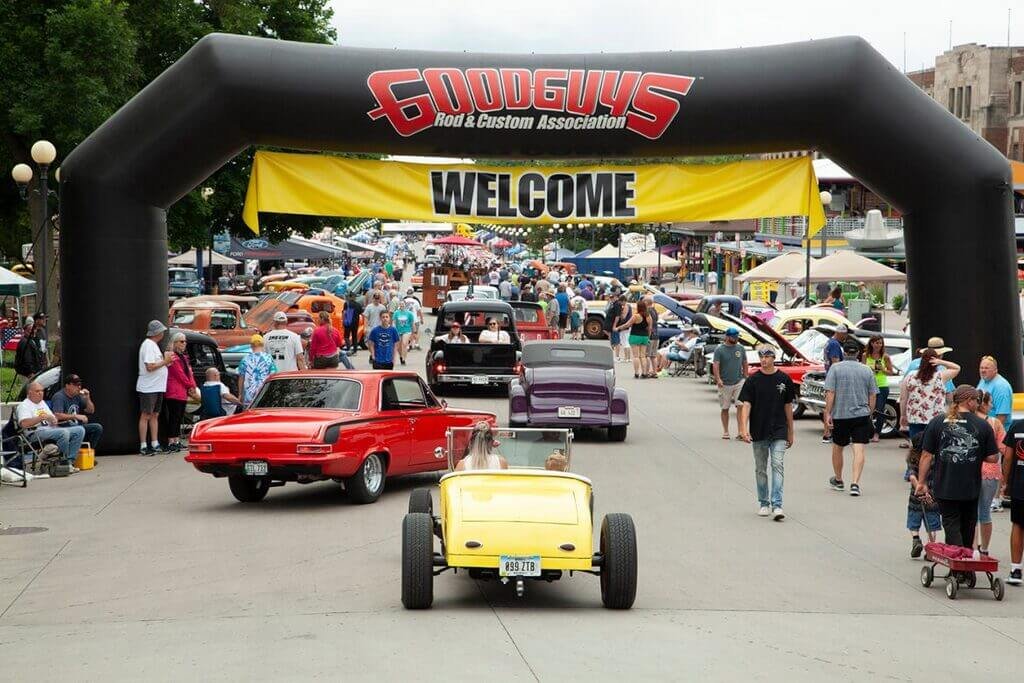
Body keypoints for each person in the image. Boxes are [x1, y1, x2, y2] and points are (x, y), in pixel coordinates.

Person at [917, 385, 999, 549]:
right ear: (969, 401)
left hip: (945, 485)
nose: (978, 404)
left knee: (951, 524)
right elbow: (993, 458)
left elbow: (926, 455)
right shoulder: (983, 425)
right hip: (971, 486)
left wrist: (921, 482)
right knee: (968, 525)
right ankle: (966, 567)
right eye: (976, 400)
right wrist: (975, 452)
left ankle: (958, 567)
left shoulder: (938, 422)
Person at [738, 344, 796, 521]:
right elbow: (746, 404)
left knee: (777, 465)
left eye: (767, 356)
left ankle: (777, 505)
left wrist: (790, 431)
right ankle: (764, 503)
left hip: (778, 429)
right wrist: (743, 428)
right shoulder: (753, 380)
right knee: (761, 469)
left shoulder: (784, 379)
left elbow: (788, 406)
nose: (763, 360)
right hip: (759, 430)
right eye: (761, 356)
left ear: (774, 357)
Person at [824, 338, 878, 497]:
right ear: (858, 354)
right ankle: (855, 483)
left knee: (838, 447)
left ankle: (839, 480)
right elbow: (873, 394)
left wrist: (828, 413)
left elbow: (830, 392)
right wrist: (870, 412)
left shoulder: (835, 369)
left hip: (840, 414)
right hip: (861, 414)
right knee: (859, 448)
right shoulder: (867, 370)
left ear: (844, 352)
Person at [17, 382, 86, 471]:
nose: (41, 393)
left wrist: (54, 420)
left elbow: (52, 418)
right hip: (35, 433)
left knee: (79, 430)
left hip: (50, 430)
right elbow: (24, 424)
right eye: (37, 391)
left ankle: (69, 462)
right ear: (30, 393)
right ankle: (62, 463)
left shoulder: (42, 403)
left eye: (42, 391)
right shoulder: (24, 405)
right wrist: (41, 417)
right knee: (63, 432)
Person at [899, 349, 961, 441]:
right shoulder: (941, 376)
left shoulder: (910, 376)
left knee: (917, 447)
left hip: (914, 417)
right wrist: (940, 361)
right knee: (934, 447)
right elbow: (957, 368)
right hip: (936, 419)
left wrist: (903, 415)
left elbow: (903, 398)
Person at [975, 390, 1005, 556]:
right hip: (990, 472)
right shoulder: (994, 423)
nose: (992, 405)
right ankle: (984, 549)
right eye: (990, 402)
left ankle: (971, 550)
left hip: (970, 470)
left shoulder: (968, 420)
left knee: (971, 512)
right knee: (985, 513)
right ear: (983, 404)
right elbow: (1004, 448)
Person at [137, 320, 173, 455]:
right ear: (158, 332)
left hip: (157, 386)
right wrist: (165, 361)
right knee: (146, 414)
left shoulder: (154, 346)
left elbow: (156, 365)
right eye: (162, 331)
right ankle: (143, 445)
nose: (163, 333)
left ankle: (154, 442)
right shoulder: (148, 345)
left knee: (155, 415)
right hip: (149, 387)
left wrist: (165, 363)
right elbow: (149, 366)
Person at [161, 332, 198, 453]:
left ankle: (176, 440)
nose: (184, 344)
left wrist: (192, 385)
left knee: (178, 417)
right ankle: (171, 441)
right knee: (174, 417)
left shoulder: (183, 357)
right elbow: (179, 374)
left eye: (185, 341)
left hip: (182, 391)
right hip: (174, 391)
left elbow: (189, 373)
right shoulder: (173, 356)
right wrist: (190, 386)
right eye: (182, 341)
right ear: (175, 342)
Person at [906, 434, 942, 558]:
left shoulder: (912, 458)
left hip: (915, 496)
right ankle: (931, 547)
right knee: (932, 521)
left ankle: (916, 538)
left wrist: (918, 486)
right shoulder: (934, 458)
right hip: (932, 496)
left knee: (913, 519)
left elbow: (911, 475)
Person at [1000, 413, 1024, 584]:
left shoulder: (1016, 427)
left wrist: (1005, 483)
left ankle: (1016, 570)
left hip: (1019, 485)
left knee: (1018, 525)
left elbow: (1007, 457)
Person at [50, 373, 103, 452]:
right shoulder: (59, 396)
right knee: (80, 429)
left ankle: (86, 454)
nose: (79, 387)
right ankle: (76, 455)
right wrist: (75, 416)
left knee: (97, 428)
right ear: (67, 385)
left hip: (77, 426)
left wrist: (88, 398)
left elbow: (90, 411)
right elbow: (57, 415)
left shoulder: (77, 396)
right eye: (75, 384)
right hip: (64, 427)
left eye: (79, 384)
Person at [712, 327, 747, 439]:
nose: (735, 339)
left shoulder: (740, 348)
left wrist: (745, 377)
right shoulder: (720, 350)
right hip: (725, 382)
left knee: (740, 406)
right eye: (733, 337)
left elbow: (745, 363)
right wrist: (718, 379)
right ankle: (726, 431)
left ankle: (741, 431)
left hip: (738, 381)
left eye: (737, 337)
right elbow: (716, 365)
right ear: (727, 337)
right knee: (725, 408)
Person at [861, 335, 895, 442]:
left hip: (882, 386)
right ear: (871, 343)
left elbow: (891, 372)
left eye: (880, 343)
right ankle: (866, 431)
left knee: (879, 410)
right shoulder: (865, 355)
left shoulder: (885, 357)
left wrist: (882, 369)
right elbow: (861, 369)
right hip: (868, 386)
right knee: (866, 409)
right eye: (876, 343)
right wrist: (868, 369)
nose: (878, 345)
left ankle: (877, 433)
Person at [820, 325, 848, 444]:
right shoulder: (835, 344)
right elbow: (835, 362)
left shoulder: (829, 342)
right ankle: (827, 433)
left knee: (829, 405)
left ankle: (828, 433)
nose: (845, 337)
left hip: (829, 376)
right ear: (840, 333)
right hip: (834, 378)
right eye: (845, 334)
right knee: (831, 406)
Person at [237, 334, 278, 408]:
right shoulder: (268, 358)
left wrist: (240, 394)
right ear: (262, 344)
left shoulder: (245, 359)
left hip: (248, 397)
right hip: (264, 394)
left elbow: (241, 378)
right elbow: (273, 375)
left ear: (251, 345)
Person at [977, 355, 1013, 425]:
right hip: (982, 426)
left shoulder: (1001, 387)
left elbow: (1001, 417)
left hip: (994, 430)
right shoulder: (983, 380)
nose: (983, 370)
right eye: (981, 368)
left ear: (995, 370)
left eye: (987, 368)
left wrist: (991, 434)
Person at [628, 298, 655, 379]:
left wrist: (619, 328)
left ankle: (636, 373)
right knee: (642, 356)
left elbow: (628, 324)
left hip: (635, 336)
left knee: (636, 356)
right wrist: (648, 337)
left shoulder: (636, 316)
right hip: (644, 337)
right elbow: (650, 328)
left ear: (638, 307)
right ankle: (644, 373)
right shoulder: (649, 316)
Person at [13, 317, 45, 381]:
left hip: (32, 372)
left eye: (34, 329)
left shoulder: (31, 340)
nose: (33, 331)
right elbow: (27, 359)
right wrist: (30, 372)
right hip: (28, 374)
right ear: (25, 330)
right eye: (30, 330)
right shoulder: (25, 342)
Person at [644, 295, 660, 378]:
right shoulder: (655, 310)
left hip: (650, 335)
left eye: (644, 301)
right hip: (656, 335)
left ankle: (646, 372)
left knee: (646, 355)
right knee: (653, 355)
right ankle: (654, 372)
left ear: (647, 302)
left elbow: (648, 325)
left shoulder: (647, 312)